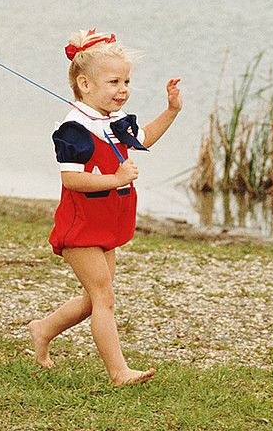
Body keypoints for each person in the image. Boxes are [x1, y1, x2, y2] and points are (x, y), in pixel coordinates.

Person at [27, 29, 181, 386]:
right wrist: (116, 179)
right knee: (103, 297)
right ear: (84, 84)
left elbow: (143, 140)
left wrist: (171, 110)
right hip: (81, 227)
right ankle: (118, 372)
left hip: (107, 224)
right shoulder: (75, 129)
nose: (123, 89)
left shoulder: (113, 121)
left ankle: (43, 329)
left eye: (126, 80)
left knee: (92, 296)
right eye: (113, 81)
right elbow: (71, 180)